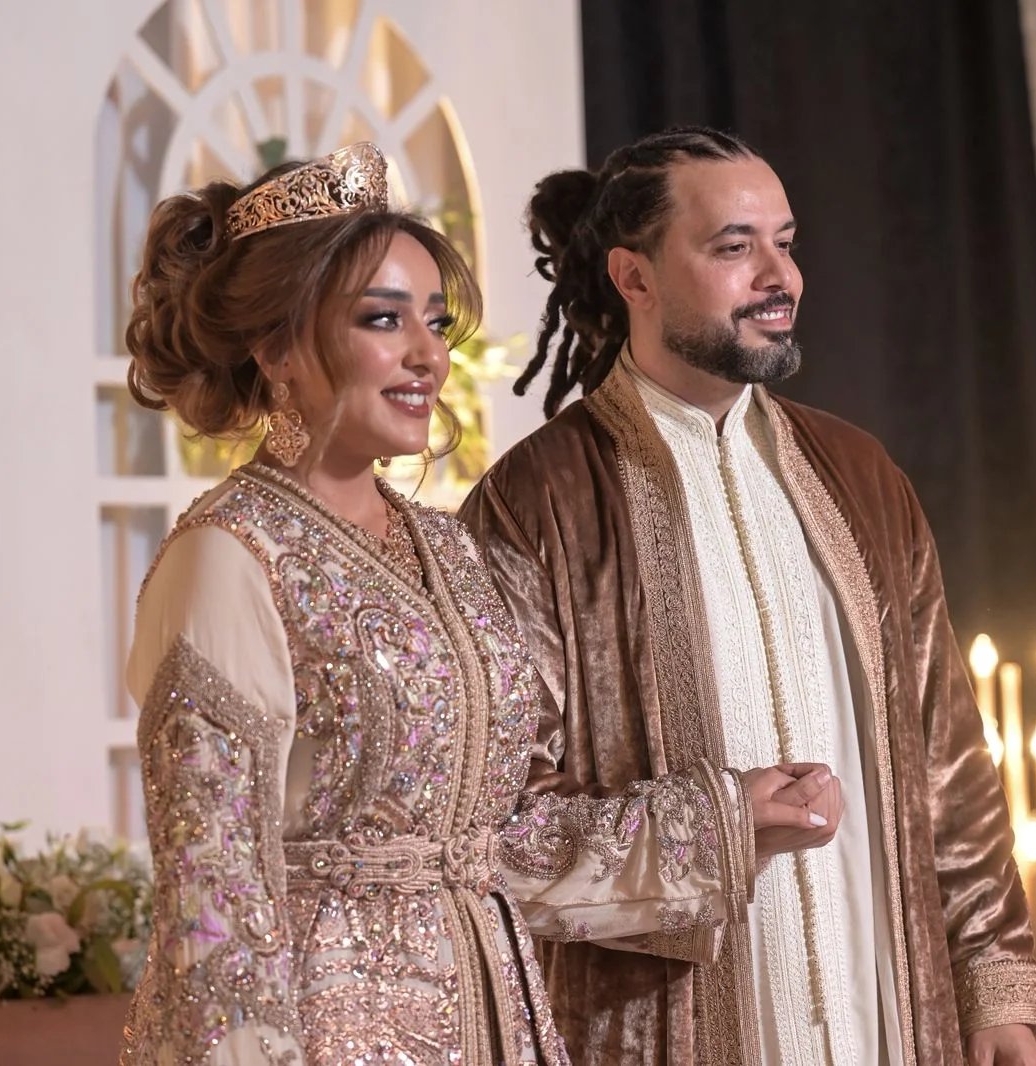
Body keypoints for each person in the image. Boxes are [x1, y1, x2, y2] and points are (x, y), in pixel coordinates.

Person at [116, 141, 828, 1066]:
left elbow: (493, 844)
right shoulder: (227, 556)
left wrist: (725, 821)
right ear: (277, 345)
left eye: (436, 321)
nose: (428, 355)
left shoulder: (444, 548)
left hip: (497, 1022)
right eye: (383, 318)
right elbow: (212, 912)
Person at [459, 127, 1036, 1066]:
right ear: (634, 277)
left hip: (888, 1026)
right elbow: (493, 831)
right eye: (735, 247)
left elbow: (949, 762)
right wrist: (718, 828)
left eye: (786, 242)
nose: (781, 277)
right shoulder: (537, 504)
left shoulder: (860, 476)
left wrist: (995, 989)